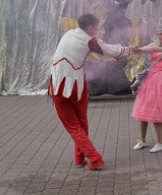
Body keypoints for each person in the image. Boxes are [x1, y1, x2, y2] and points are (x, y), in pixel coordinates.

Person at [49, 14, 137, 170]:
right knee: (80, 124)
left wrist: (124, 51)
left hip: (61, 85)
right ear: (89, 27)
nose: (97, 30)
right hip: (75, 85)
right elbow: (112, 51)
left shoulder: (68, 34)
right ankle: (83, 158)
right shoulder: (90, 41)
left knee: (74, 126)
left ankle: (89, 158)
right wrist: (130, 50)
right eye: (96, 27)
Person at [131, 18, 162, 153]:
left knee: (156, 111)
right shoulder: (155, 44)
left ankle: (159, 142)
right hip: (150, 80)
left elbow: (157, 48)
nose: (159, 37)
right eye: (158, 34)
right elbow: (143, 50)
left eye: (161, 34)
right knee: (142, 110)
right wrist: (135, 49)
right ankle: (142, 140)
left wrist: (146, 48)